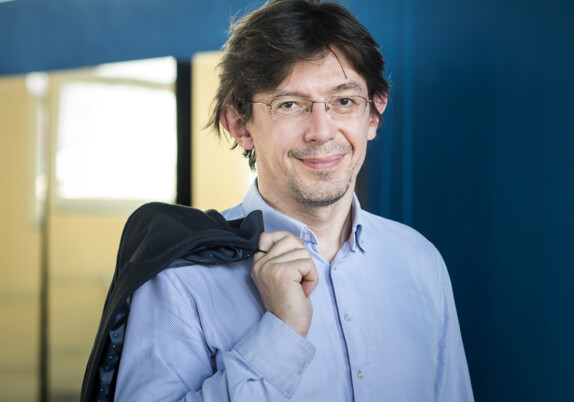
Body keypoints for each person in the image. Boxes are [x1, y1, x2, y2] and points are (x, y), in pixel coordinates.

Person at [115, 0, 474, 400]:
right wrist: (280, 334)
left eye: (344, 101)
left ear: (373, 114)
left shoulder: (420, 261)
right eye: (289, 104)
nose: (322, 131)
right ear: (240, 125)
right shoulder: (179, 279)